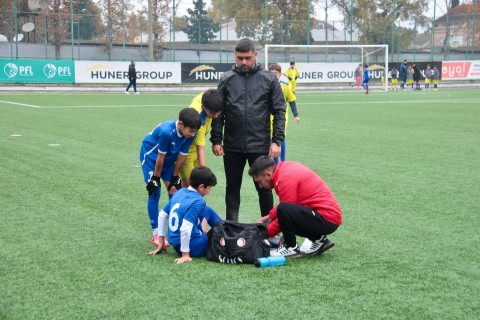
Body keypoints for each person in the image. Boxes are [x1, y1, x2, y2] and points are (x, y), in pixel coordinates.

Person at [210, 38, 286, 222]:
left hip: (259, 145)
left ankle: (267, 230)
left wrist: (277, 141)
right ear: (235, 56)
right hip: (232, 145)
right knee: (232, 188)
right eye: (240, 58)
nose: (243, 62)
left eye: (247, 58)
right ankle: (231, 226)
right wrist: (216, 140)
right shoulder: (226, 79)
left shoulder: (269, 79)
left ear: (255, 55)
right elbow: (219, 112)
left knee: (264, 189)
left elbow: (279, 111)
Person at [249, 156, 342, 258]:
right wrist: (268, 217)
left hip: (327, 219)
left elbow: (285, 212)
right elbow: (288, 206)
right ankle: (319, 240)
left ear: (268, 175)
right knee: (286, 211)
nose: (260, 186)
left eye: (259, 181)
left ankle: (290, 247)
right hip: (325, 217)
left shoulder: (284, 178)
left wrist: (262, 233)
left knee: (285, 211)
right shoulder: (283, 170)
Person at [140, 108, 201, 246]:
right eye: (191, 131)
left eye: (194, 131)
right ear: (180, 124)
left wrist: (174, 177)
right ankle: (156, 234)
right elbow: (159, 157)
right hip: (151, 158)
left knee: (175, 192)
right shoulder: (166, 132)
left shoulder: (190, 134)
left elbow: (181, 157)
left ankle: (174, 229)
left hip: (168, 161)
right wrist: (155, 178)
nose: (193, 134)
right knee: (155, 191)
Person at [149, 166, 223, 264]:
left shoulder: (179, 192)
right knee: (219, 239)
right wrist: (185, 255)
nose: (209, 191)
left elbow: (162, 215)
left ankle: (219, 229)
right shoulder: (199, 200)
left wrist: (161, 242)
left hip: (176, 246)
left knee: (205, 210)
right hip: (194, 246)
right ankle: (227, 230)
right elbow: (185, 227)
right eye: (209, 187)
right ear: (201, 187)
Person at [179, 89, 224, 187]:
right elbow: (201, 149)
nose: (216, 116)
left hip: (195, 149)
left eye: (218, 112)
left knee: (199, 184)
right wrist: (206, 175)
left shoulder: (209, 97)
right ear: (203, 107)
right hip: (187, 152)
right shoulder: (198, 122)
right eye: (213, 113)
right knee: (190, 186)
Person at [268, 63, 300, 162]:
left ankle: (280, 162)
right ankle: (271, 161)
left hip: (280, 117)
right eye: (271, 73)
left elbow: (291, 100)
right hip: (266, 117)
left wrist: (296, 115)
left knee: (279, 137)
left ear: (280, 74)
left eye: (275, 73)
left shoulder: (285, 85)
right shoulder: (265, 85)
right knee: (267, 137)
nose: (273, 75)